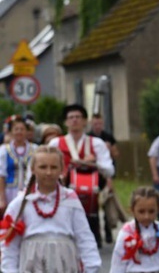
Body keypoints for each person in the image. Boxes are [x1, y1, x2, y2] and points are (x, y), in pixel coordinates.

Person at [48, 104, 115, 251]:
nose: (74, 121)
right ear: (65, 122)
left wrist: (94, 162)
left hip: (92, 195)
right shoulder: (56, 143)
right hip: (63, 191)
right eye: (71, 118)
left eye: (78, 117)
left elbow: (110, 170)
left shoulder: (96, 143)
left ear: (85, 121)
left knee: (90, 233)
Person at [88, 113, 118, 244]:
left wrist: (109, 149)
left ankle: (109, 233)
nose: (97, 126)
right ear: (91, 124)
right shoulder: (88, 138)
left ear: (103, 124)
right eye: (95, 124)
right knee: (93, 208)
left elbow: (116, 155)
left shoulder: (108, 137)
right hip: (91, 177)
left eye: (99, 123)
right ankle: (97, 236)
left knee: (107, 205)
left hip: (105, 176)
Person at [0, 116, 37, 216]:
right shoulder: (4, 150)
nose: (19, 132)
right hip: (9, 191)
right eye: (16, 129)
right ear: (11, 132)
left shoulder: (35, 149)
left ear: (27, 132)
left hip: (30, 190)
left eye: (22, 129)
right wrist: (2, 198)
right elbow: (1, 175)